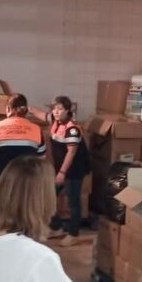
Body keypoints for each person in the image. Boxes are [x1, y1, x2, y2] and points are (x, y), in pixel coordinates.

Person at [0, 94, 47, 195]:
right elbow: (41, 158)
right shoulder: (36, 130)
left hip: (1, 179)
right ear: (25, 111)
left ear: (8, 108)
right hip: (26, 181)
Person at [48, 96, 90, 247]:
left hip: (74, 170)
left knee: (73, 202)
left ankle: (73, 234)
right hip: (61, 169)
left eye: (60, 109)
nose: (56, 112)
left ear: (67, 110)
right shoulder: (55, 122)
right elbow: (38, 113)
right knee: (50, 195)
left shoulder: (72, 129)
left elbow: (71, 153)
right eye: (54, 109)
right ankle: (56, 227)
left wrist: (62, 173)